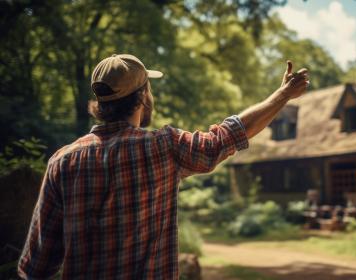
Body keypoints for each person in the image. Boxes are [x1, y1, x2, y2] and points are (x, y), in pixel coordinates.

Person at [17, 54, 309, 279]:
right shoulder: (163, 147)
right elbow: (228, 135)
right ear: (143, 96)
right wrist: (282, 94)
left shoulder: (62, 161)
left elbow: (36, 266)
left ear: (101, 101)